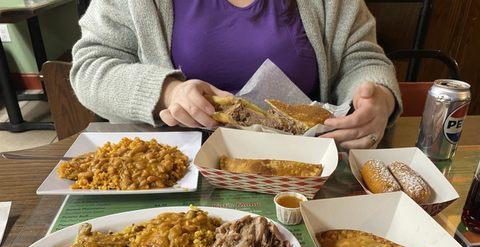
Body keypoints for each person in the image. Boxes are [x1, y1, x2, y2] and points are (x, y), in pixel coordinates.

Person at [71, 0, 402, 149]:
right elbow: (91, 67)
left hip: (306, 164)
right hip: (179, 169)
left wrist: (378, 99)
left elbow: (361, 57)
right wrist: (169, 92)